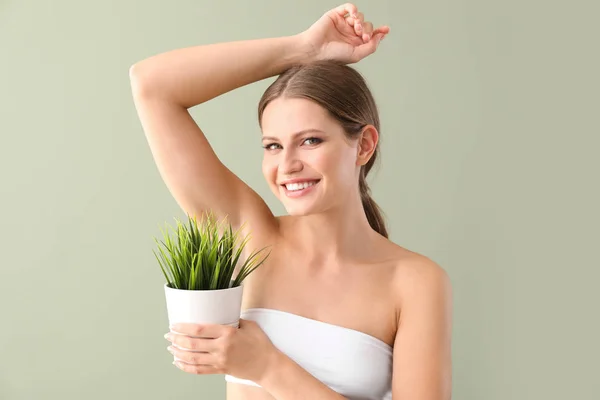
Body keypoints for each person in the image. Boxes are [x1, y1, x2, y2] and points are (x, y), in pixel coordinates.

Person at [129, 3, 452, 399]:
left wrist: (266, 366)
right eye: (273, 146)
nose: (288, 165)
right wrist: (302, 50)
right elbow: (151, 85)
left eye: (311, 140)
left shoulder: (414, 282)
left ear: (363, 145)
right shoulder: (248, 237)